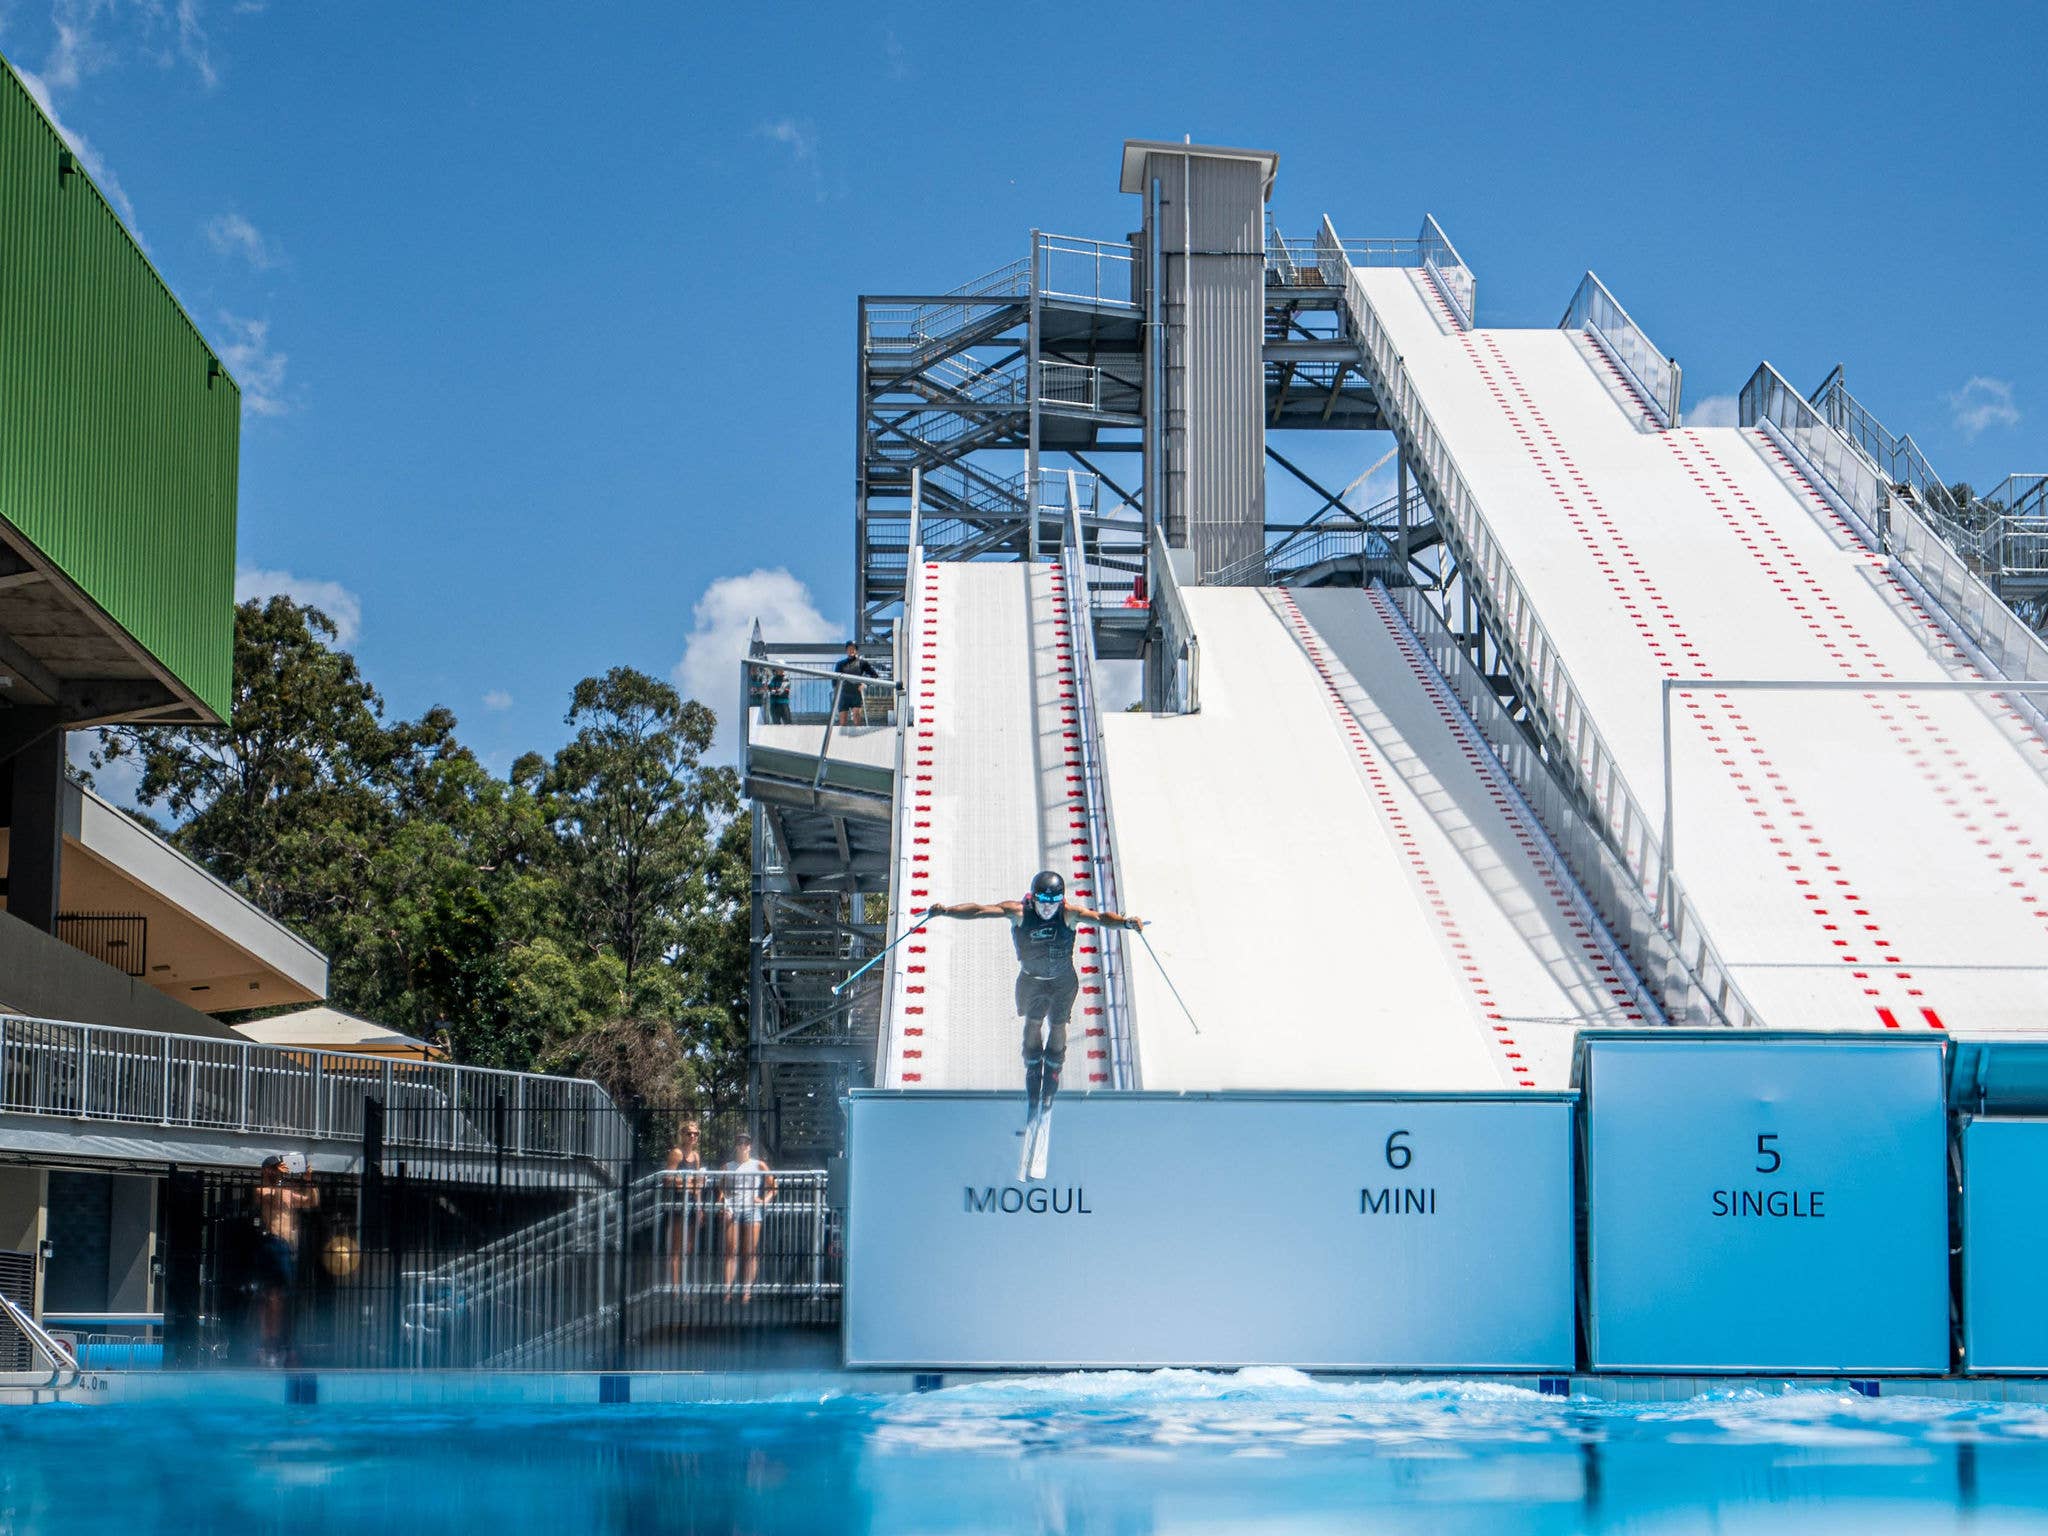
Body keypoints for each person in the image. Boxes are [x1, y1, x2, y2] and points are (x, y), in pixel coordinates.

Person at [928, 871, 1145, 1123]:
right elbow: (979, 910)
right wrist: (946, 911)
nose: (1046, 908)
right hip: (1031, 980)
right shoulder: (1019, 911)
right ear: (1033, 898)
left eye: (1052, 903)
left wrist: (1126, 923)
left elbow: (1099, 918)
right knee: (1033, 1022)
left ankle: (1053, 1068)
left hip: (1063, 981)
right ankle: (1033, 1066)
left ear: (1061, 901)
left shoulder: (1068, 913)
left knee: (1058, 1023)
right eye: (1042, 902)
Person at [254, 1152, 318, 1366]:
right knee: (274, 1296)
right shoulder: (263, 1190)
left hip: (289, 1248)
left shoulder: (287, 1194)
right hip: (274, 1244)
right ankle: (270, 1345)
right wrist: (279, 1178)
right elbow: (268, 1196)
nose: (282, 1171)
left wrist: (308, 1181)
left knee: (284, 1298)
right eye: (277, 1168)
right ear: (267, 1171)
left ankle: (279, 1345)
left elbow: (311, 1201)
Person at [719, 1131, 777, 1305]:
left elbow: (773, 1186)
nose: (742, 1145)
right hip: (733, 1209)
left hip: (752, 1209)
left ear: (750, 1146)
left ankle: (746, 1291)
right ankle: (727, 1291)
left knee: (750, 1252)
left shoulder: (758, 1165)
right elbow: (720, 1190)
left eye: (745, 1142)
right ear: (735, 1145)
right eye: (739, 1142)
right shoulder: (727, 1167)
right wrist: (723, 1205)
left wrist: (764, 1201)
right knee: (731, 1251)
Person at [664, 1121, 707, 1288]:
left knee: (688, 1248)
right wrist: (685, 1181)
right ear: (682, 1134)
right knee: (676, 1247)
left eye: (696, 1134)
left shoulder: (696, 1156)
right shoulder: (676, 1153)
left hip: (691, 1202)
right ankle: (675, 1288)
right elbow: (667, 1178)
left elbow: (697, 1184)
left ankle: (684, 1284)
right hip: (677, 1203)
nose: (693, 1136)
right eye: (689, 1133)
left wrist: (700, 1207)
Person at [833, 642, 880, 726]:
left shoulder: (862, 663)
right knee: (842, 721)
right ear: (846, 650)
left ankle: (857, 737)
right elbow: (834, 680)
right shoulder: (840, 664)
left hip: (856, 693)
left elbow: (875, 675)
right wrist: (837, 691)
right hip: (844, 693)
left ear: (856, 650)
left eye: (853, 648)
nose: (851, 650)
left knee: (857, 717)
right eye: (849, 648)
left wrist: (865, 685)